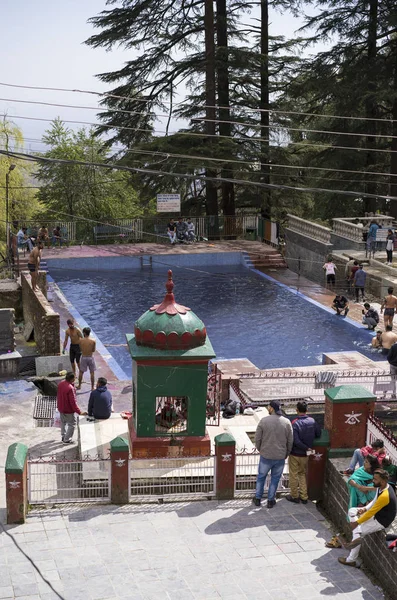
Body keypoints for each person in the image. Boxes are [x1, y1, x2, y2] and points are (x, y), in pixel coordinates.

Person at [337, 469, 396, 567]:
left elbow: (373, 511)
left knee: (357, 532)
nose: (373, 481)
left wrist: (358, 522)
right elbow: (374, 501)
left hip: (381, 520)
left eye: (375, 479)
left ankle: (351, 559)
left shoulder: (385, 495)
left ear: (383, 481)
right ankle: (356, 535)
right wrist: (364, 509)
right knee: (352, 511)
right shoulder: (380, 487)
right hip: (376, 515)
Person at [253, 400, 293, 508]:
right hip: (280, 456)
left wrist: (260, 449)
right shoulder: (286, 422)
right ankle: (270, 500)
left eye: (268, 407)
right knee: (275, 479)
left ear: (271, 408)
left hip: (266, 455)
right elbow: (290, 441)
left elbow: (257, 438)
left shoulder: (264, 421)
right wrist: (286, 453)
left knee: (261, 477)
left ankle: (258, 498)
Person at [285, 401, 321, 504]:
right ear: (307, 410)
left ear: (297, 410)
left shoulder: (295, 422)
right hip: (305, 455)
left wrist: (305, 447)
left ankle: (294, 495)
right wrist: (308, 448)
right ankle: (304, 496)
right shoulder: (312, 421)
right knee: (302, 474)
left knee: (293, 474)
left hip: (295, 453)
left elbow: (295, 440)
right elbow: (318, 433)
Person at [56, 371, 87, 444]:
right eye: (74, 377)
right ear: (71, 379)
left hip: (61, 407)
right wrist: (79, 412)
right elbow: (73, 402)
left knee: (63, 422)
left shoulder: (61, 384)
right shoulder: (70, 388)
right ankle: (66, 440)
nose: (75, 378)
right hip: (68, 410)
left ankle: (63, 436)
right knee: (72, 424)